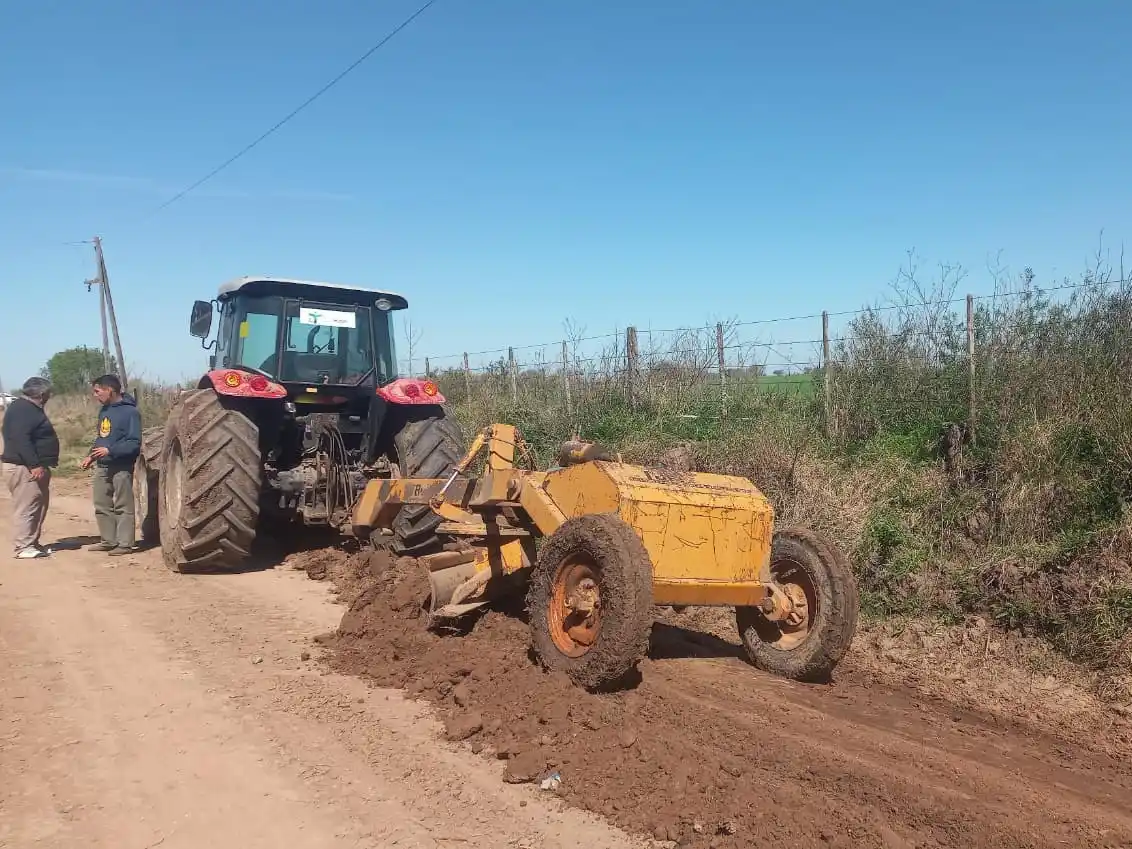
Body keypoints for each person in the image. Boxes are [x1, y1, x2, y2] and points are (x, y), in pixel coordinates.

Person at [80, 374, 141, 555]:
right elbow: (102, 437)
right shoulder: (104, 411)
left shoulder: (131, 413)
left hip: (121, 466)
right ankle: (108, 540)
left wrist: (111, 451)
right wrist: (91, 456)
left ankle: (125, 544)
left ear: (110, 390)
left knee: (123, 505)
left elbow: (134, 442)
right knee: (101, 503)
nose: (95, 395)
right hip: (102, 466)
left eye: (98, 391)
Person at [1, 377, 59, 559]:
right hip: (23, 467)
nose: (49, 396)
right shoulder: (23, 410)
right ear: (42, 394)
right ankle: (23, 545)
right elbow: (21, 439)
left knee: (38, 504)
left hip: (30, 465)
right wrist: (33, 464)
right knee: (28, 506)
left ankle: (31, 542)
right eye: (48, 393)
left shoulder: (26, 408)